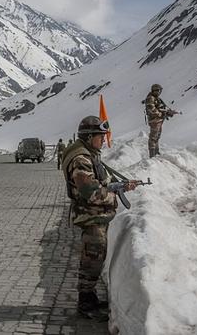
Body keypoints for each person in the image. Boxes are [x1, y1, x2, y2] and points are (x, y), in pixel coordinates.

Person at [61, 116, 138, 320]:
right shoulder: (81, 159)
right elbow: (91, 192)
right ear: (89, 137)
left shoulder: (90, 155)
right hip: (90, 216)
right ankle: (85, 303)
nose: (103, 140)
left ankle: (90, 297)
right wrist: (113, 193)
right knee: (91, 259)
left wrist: (121, 184)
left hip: (95, 216)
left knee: (95, 257)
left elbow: (101, 181)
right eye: (100, 136)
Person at [145, 84, 177, 158]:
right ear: (155, 90)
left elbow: (163, 107)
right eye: (159, 90)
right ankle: (152, 155)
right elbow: (152, 110)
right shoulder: (150, 98)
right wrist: (161, 114)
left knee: (157, 136)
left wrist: (169, 112)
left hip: (158, 120)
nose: (160, 92)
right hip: (154, 120)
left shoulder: (157, 99)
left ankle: (156, 152)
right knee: (153, 137)